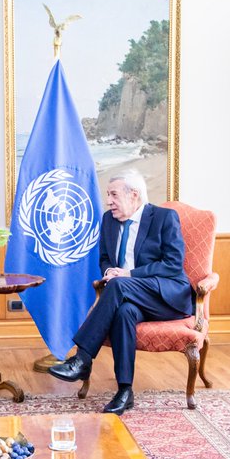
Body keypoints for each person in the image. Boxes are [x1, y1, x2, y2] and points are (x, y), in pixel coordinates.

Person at [48, 170, 194, 414]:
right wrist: (109, 272)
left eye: (113, 194)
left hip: (167, 296)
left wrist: (127, 275)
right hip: (128, 296)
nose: (109, 201)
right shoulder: (108, 220)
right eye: (108, 195)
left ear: (133, 195)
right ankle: (124, 391)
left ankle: (82, 358)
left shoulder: (164, 218)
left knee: (118, 286)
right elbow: (105, 258)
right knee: (125, 312)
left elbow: (173, 264)